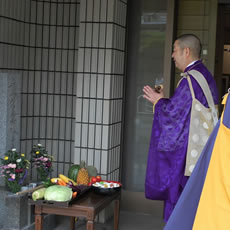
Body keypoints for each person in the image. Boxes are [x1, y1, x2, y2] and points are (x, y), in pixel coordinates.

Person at [143, 34, 219, 222]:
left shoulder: (191, 79)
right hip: (202, 150)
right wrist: (165, 101)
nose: (172, 55)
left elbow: (174, 115)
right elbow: (183, 111)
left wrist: (159, 102)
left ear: (186, 51)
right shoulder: (204, 75)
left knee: (181, 206)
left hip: (188, 158)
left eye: (175, 50)